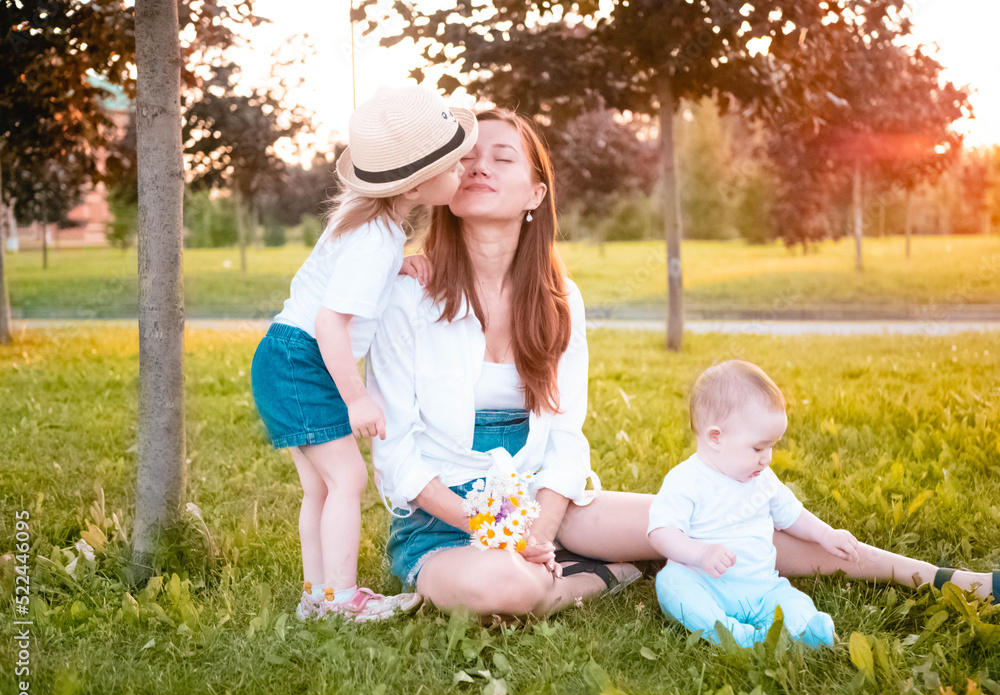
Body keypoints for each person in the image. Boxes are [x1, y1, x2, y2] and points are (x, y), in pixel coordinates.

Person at [368, 109, 1000, 619]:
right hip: (442, 516)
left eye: (501, 156)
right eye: (467, 159)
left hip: (542, 498)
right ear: (445, 185)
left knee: (732, 520)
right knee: (500, 591)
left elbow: (565, 435)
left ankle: (950, 580)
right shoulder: (407, 293)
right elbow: (396, 453)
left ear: (536, 192)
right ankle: (603, 573)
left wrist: (544, 519)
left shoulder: (559, 301)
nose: (479, 167)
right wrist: (489, 524)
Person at [250, 86, 477, 622]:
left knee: (321, 486)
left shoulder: (371, 228)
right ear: (419, 184)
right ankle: (343, 599)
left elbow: (333, 280)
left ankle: (319, 595)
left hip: (286, 355)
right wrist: (356, 397)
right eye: (455, 163)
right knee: (347, 481)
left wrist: (396, 265)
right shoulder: (375, 240)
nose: (465, 168)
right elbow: (330, 322)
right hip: (304, 361)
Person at [648, 360, 858, 647]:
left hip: (762, 588)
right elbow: (661, 532)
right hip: (705, 583)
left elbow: (792, 514)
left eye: (772, 446)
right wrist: (700, 554)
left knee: (792, 600)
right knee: (671, 583)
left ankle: (806, 630)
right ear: (715, 438)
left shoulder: (764, 480)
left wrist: (825, 534)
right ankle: (728, 633)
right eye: (759, 447)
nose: (767, 457)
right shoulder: (686, 480)